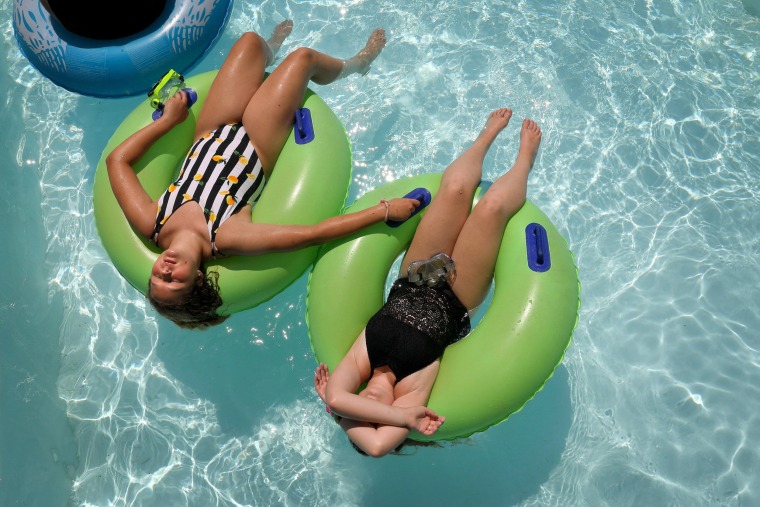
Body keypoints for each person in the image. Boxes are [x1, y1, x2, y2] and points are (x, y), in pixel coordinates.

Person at [106, 22, 420, 329]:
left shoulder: (153, 223)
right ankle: (359, 63)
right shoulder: (226, 237)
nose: (166, 270)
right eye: (173, 281)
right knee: (303, 58)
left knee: (249, 42)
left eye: (157, 276)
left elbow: (116, 162)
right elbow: (311, 234)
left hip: (211, 129)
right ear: (198, 279)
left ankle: (270, 49)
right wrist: (385, 211)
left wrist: (168, 122)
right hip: (258, 141)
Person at [314, 108, 543, 457]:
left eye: (364, 413)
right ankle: (525, 159)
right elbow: (376, 448)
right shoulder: (411, 393)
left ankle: (485, 137)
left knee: (454, 188)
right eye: (380, 419)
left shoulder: (359, 361)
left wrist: (338, 410)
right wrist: (403, 417)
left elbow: (336, 398)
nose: (373, 409)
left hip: (415, 276)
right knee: (492, 207)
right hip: (457, 295)